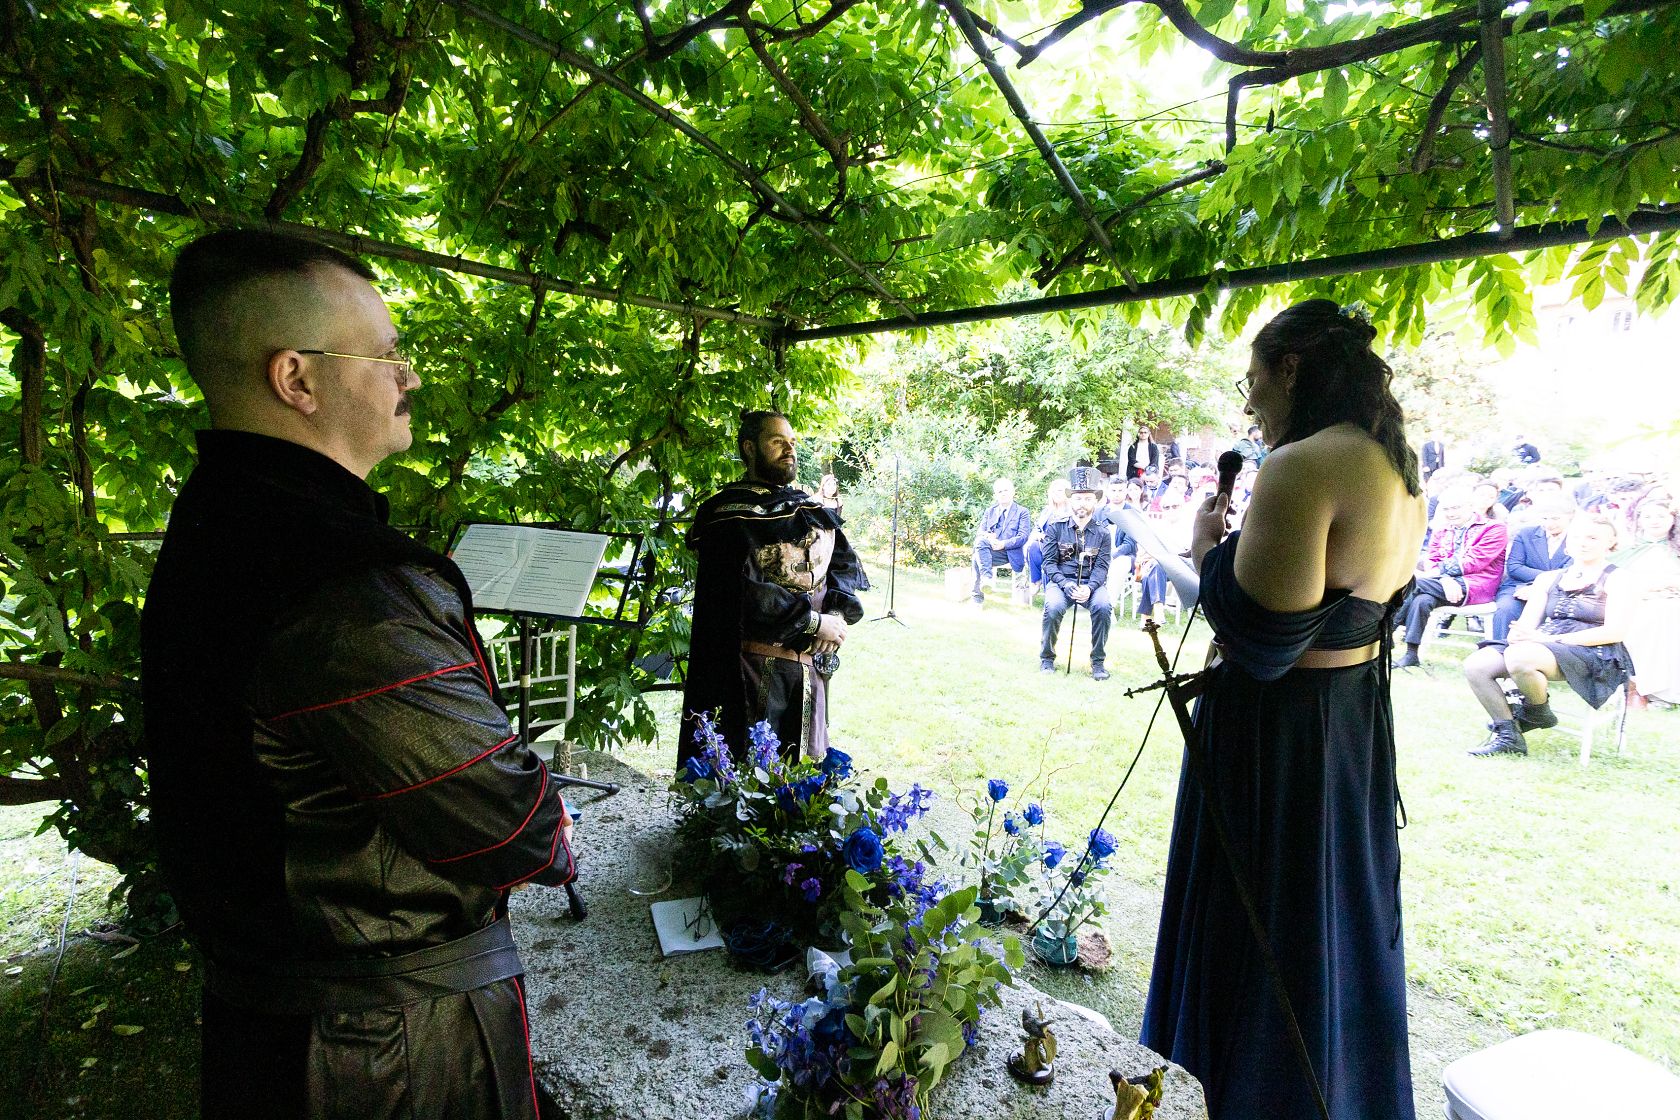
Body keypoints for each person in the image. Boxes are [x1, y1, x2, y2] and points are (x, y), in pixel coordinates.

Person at [141, 230, 578, 1120]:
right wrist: (552, 827)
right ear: (295, 379)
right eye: (385, 354)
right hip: (378, 1054)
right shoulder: (346, 589)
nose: (408, 376)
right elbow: (505, 823)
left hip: (271, 1009)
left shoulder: (218, 520)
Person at [1141, 299, 1428, 1120]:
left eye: (1253, 382)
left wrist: (1206, 549)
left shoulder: (1302, 466)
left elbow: (1264, 641)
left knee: (1262, 916)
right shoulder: (1398, 469)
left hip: (1279, 736)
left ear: (1291, 369)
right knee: (1329, 912)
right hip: (1349, 728)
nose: (1250, 405)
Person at [679, 410, 868, 765]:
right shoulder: (728, 517)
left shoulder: (807, 509)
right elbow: (743, 591)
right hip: (749, 671)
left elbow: (844, 563)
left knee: (801, 776)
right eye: (777, 441)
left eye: (792, 442)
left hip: (808, 669)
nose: (789, 449)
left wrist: (836, 615)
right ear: (750, 448)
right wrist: (814, 622)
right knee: (750, 772)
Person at [1461, 513, 1633, 756]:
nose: (1582, 543)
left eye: (1592, 538)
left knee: (1521, 657)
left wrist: (1547, 640)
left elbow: (1615, 631)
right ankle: (1510, 735)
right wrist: (1519, 635)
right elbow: (1527, 623)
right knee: (1476, 665)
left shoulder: (1618, 578)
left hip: (1593, 650)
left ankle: (1534, 712)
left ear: (1611, 542)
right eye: (1576, 537)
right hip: (1542, 643)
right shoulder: (1548, 578)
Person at [1392, 486, 1508, 669]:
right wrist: (1445, 579)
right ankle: (1411, 654)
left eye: (1456, 508)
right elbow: (1431, 560)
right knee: (1422, 600)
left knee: (1414, 582)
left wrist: (1440, 576)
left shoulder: (1494, 528)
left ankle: (1387, 629)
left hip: (1477, 585)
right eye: (1446, 509)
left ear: (1471, 506)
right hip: (1442, 585)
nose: (1450, 513)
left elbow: (1474, 561)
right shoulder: (1442, 530)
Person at [1038, 468, 1113, 679]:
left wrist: (1090, 588)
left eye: (1088, 499)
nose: (1082, 503)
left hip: (1091, 584)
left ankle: (1098, 662)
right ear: (1071, 500)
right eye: (1078, 498)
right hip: (1061, 583)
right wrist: (1066, 584)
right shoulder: (1056, 527)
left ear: (1095, 501)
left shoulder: (1103, 532)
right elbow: (1049, 563)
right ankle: (1047, 658)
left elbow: (1102, 567)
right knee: (1053, 607)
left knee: (1103, 607)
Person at [1612, 497, 1680, 706]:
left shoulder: (1676, 548)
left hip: (1673, 602)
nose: (1654, 521)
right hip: (1637, 602)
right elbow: (1613, 579)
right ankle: (1641, 687)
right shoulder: (1627, 549)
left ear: (1673, 519)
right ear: (1639, 519)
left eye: (1661, 516)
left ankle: (1667, 692)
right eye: (1648, 516)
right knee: (1648, 619)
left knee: (1668, 615)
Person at [1491, 493, 1573, 641]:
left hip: (1561, 590)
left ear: (1570, 516)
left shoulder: (1578, 538)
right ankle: (1500, 648)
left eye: (1555, 518)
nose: (1549, 524)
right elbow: (1514, 567)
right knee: (1506, 609)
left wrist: (1540, 587)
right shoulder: (1526, 534)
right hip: (1519, 586)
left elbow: (1571, 572)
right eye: (1544, 518)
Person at [970, 477, 1033, 604]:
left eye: (1006, 490)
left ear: (1013, 492)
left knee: (977, 557)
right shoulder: (990, 511)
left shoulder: (1022, 512)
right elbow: (980, 533)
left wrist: (1003, 544)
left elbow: (1023, 537)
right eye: (999, 491)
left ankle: (977, 598)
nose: (1003, 494)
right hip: (992, 551)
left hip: (1011, 553)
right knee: (980, 543)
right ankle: (986, 580)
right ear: (995, 495)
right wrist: (989, 537)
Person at [1026, 477, 1071, 590]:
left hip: (1063, 548)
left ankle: (1048, 591)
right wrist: (1036, 536)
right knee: (1033, 546)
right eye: (1053, 491)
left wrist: (1048, 538)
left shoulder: (1072, 511)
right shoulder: (1047, 511)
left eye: (1059, 490)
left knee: (1048, 558)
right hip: (1044, 545)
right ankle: (1036, 580)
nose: (1056, 493)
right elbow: (1037, 528)